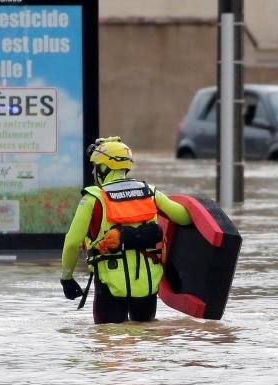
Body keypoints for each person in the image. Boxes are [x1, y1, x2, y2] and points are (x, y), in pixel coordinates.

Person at [61, 136, 193, 324]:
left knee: (108, 342)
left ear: (105, 168)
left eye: (95, 166)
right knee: (145, 338)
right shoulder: (150, 192)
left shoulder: (93, 199)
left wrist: (66, 277)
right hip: (147, 287)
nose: (93, 171)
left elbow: (72, 243)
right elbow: (185, 217)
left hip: (110, 287)